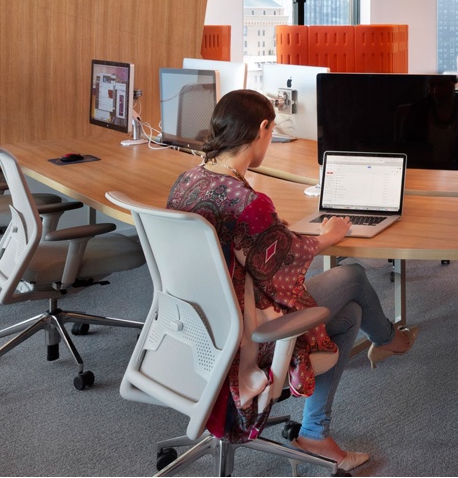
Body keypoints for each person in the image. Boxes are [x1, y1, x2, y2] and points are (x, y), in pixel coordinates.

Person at [167, 89, 416, 472]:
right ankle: (389, 341)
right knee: (352, 276)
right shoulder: (248, 202)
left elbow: (258, 251)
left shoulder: (187, 181)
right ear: (264, 128)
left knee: (347, 313)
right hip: (245, 334)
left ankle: (319, 429)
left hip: (195, 328)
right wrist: (328, 237)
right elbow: (280, 268)